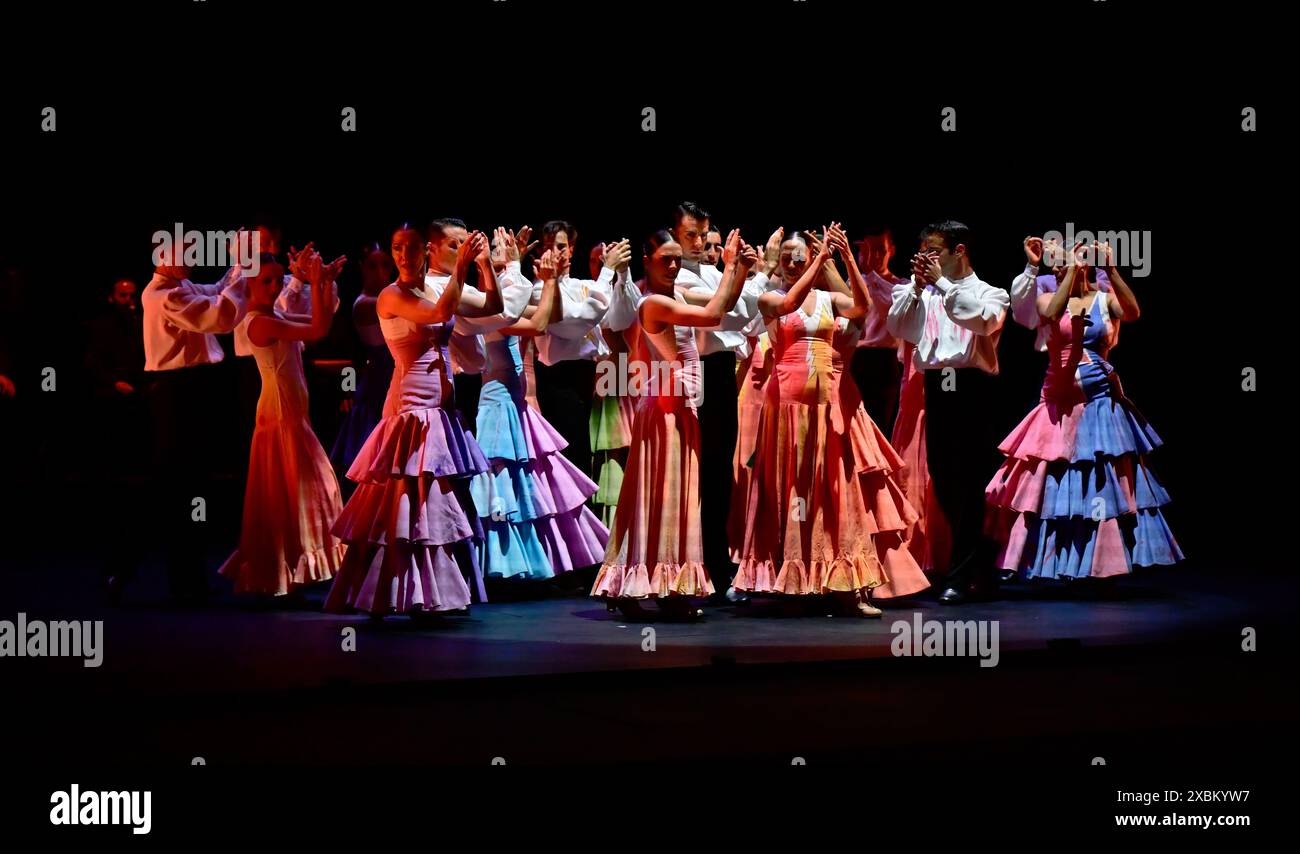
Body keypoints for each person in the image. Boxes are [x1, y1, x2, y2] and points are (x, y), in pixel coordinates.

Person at [733, 225, 922, 614]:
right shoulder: (770, 297)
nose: (791, 261)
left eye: (798, 254)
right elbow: (786, 308)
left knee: (832, 491)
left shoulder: (826, 298)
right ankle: (785, 581)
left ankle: (843, 586)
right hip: (785, 406)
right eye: (785, 255)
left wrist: (846, 260)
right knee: (789, 489)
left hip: (824, 407)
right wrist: (817, 261)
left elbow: (862, 307)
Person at [325, 223, 496, 620]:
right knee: (406, 504)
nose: (403, 255)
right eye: (397, 248)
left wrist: (484, 266)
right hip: (411, 409)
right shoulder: (391, 296)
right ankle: (394, 592)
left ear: (426, 251)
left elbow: (491, 307)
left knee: (434, 505)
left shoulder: (436, 288)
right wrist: (462, 269)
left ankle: (433, 594)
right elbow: (440, 314)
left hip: (441, 411)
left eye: (411, 247)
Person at [985, 240, 1182, 579]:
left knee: (1097, 482)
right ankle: (1049, 564)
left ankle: (1102, 565)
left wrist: (1111, 269)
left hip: (1100, 404)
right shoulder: (1051, 298)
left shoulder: (1104, 300)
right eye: (1057, 265)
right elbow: (1048, 314)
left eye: (1067, 263)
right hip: (1060, 405)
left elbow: (1132, 312)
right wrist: (1070, 274)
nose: (1060, 269)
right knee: (1055, 481)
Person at [593, 228, 757, 620]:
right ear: (646, 262)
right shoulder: (651, 304)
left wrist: (739, 269)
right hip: (664, 411)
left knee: (678, 500)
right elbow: (714, 314)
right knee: (664, 498)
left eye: (675, 259)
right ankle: (649, 586)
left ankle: (665, 587)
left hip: (681, 408)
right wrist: (732, 264)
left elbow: (725, 310)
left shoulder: (676, 297)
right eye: (664, 259)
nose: (672, 265)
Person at [887, 220, 1010, 605]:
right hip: (938, 387)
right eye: (923, 252)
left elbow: (979, 319)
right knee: (943, 479)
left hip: (972, 388)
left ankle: (962, 571)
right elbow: (901, 328)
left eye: (934, 252)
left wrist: (940, 284)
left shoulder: (992, 293)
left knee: (973, 480)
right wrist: (918, 288)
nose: (927, 260)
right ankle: (972, 564)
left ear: (959, 252)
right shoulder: (923, 292)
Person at [472, 243, 610, 580]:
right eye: (497, 268)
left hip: (515, 401)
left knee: (528, 480)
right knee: (503, 482)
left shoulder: (504, 302)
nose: (504, 274)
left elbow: (546, 313)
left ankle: (539, 560)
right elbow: (537, 323)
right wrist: (544, 280)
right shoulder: (486, 307)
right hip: (497, 403)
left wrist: (546, 282)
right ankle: (501, 566)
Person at [219, 249, 348, 597]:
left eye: (278, 279)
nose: (275, 286)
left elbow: (320, 324)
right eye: (266, 280)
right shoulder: (259, 322)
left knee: (289, 495)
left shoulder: (271, 314)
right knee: (310, 487)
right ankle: (280, 570)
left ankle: (285, 573)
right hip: (279, 415)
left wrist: (322, 284)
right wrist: (317, 282)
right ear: (248, 282)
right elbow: (318, 329)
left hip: (288, 413)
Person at [132, 230, 252, 604]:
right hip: (177, 394)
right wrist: (246, 272)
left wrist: (240, 263)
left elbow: (215, 290)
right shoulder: (164, 295)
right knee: (177, 489)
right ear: (163, 257)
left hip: (190, 391)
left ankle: (188, 578)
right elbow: (218, 314)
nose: (192, 260)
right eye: (185, 253)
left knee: (187, 488)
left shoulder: (178, 287)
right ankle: (159, 574)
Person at [848, 227, 907, 436]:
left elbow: (889, 311)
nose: (874, 257)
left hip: (885, 360)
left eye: (880, 250)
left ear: (891, 250)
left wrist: (870, 274)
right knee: (852, 425)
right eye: (868, 250)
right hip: (856, 358)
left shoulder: (902, 286)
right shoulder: (854, 284)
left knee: (879, 425)